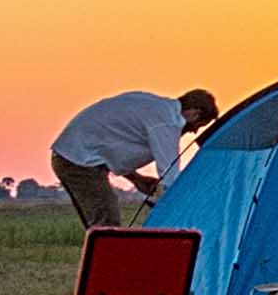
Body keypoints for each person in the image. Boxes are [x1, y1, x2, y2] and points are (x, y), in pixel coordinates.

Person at [47, 86, 217, 231]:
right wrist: (186, 205)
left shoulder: (156, 108)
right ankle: (108, 266)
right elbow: (170, 175)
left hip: (75, 154)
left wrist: (136, 178)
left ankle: (106, 263)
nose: (194, 132)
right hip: (76, 159)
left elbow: (113, 145)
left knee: (104, 219)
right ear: (195, 114)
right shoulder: (168, 121)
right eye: (199, 126)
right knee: (107, 221)